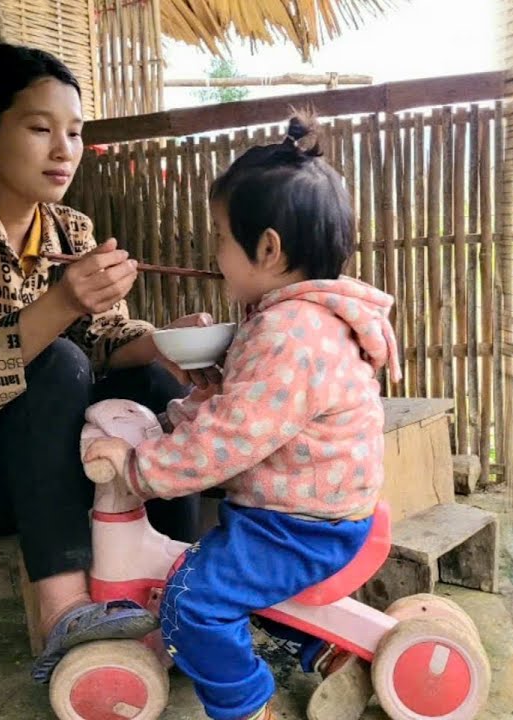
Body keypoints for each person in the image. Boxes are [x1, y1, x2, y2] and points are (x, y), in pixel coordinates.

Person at [0, 43, 213, 682]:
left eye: (74, 133)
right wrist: (62, 301)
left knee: (152, 378)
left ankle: (183, 593)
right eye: (40, 128)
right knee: (56, 365)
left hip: (35, 471)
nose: (63, 150)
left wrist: (167, 342)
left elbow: (106, 336)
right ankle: (64, 612)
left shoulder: (68, 230)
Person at [84, 115, 400, 720]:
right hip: (308, 513)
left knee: (192, 598)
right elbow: (246, 408)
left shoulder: (290, 333)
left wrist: (139, 466)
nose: (215, 255)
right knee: (223, 572)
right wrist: (187, 408)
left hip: (302, 527)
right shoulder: (295, 319)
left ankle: (246, 705)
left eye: (222, 238)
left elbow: (232, 438)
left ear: (269, 248)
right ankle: (325, 648)